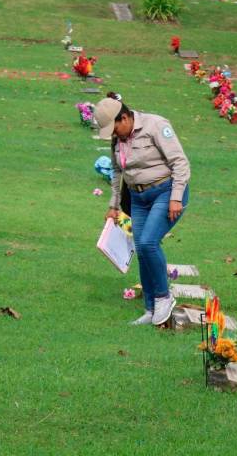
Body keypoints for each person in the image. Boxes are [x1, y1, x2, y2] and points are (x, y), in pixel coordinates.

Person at [97, 95, 191, 326]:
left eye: (115, 128)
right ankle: (150, 308)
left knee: (149, 242)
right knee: (141, 248)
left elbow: (180, 162)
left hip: (165, 192)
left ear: (126, 117)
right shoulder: (117, 139)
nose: (114, 134)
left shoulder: (155, 126)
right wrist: (113, 205)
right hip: (138, 197)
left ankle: (163, 297)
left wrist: (176, 198)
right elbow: (117, 172)